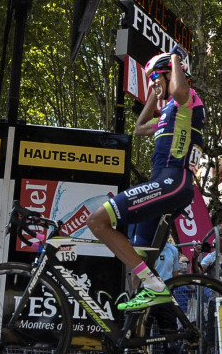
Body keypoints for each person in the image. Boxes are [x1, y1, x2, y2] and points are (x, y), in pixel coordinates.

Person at [87, 46, 204, 310]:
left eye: (156, 78)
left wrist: (175, 59)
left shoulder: (187, 101)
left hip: (172, 181)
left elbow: (178, 90)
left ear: (170, 74)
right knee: (137, 258)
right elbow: (139, 128)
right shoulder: (167, 114)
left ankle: (154, 286)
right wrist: (153, 93)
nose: (153, 84)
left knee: (97, 221)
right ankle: (131, 335)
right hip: (161, 184)